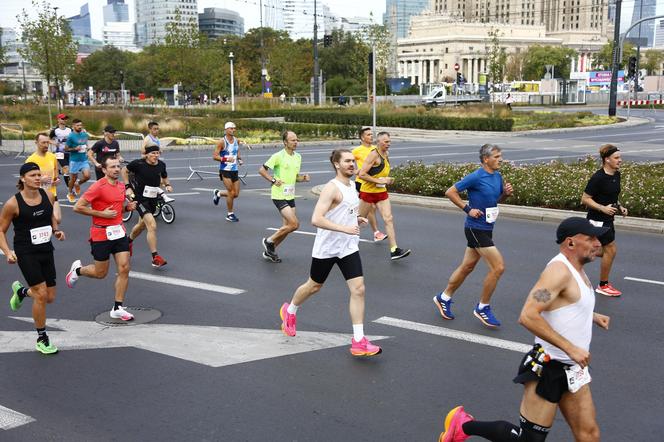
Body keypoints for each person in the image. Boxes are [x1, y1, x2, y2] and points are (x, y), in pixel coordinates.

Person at [439, 217, 611, 442]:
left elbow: (563, 303)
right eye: (591, 238)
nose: (598, 243)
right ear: (570, 243)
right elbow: (528, 315)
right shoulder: (559, 272)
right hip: (548, 367)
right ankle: (464, 425)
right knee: (528, 440)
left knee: (589, 435)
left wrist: (590, 315)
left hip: (573, 370)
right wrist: (571, 348)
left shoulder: (578, 270)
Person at [279, 149, 382, 357]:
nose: (352, 164)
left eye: (353, 161)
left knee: (359, 289)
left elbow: (347, 212)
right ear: (337, 164)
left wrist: (356, 220)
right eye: (347, 161)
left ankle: (359, 340)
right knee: (314, 286)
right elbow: (316, 219)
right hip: (327, 248)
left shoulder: (353, 186)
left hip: (348, 247)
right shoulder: (330, 188)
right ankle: (289, 311)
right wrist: (345, 228)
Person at [434, 144, 512, 328]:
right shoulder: (477, 176)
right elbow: (450, 192)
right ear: (486, 159)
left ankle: (443, 298)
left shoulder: (497, 176)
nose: (501, 159)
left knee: (467, 267)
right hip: (475, 228)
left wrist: (506, 195)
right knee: (498, 267)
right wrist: (467, 209)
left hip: (487, 227)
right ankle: (482, 307)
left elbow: (495, 201)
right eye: (497, 156)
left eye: (501, 155)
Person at [0, 162, 66, 354]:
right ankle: (42, 337)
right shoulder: (13, 203)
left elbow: (50, 216)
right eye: (33, 175)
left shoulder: (47, 194)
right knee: (41, 294)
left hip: (46, 248)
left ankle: (21, 293)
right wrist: (7, 252)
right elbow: (1, 231)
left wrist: (56, 230)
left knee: (50, 297)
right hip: (26, 252)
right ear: (22, 179)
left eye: (39, 174)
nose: (38, 178)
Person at [66, 157, 137, 321]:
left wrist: (127, 208)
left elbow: (116, 211)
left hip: (118, 232)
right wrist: (101, 214)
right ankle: (78, 270)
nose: (117, 169)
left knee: (124, 268)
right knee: (100, 273)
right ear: (104, 170)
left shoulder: (121, 186)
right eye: (112, 167)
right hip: (100, 234)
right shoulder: (97, 186)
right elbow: (78, 207)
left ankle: (118, 307)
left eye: (118, 166)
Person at [581, 144, 628, 297]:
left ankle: (581, 252)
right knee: (611, 250)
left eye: (620, 157)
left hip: (608, 218)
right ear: (607, 160)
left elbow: (612, 196)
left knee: (607, 251)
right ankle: (603, 285)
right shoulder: (598, 178)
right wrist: (602, 208)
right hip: (597, 220)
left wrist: (620, 206)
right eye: (616, 158)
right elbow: (585, 199)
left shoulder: (616, 174)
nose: (620, 160)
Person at [357, 131, 411, 261]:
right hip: (368, 192)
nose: (389, 144)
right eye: (386, 142)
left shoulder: (386, 154)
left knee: (388, 219)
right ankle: (341, 241)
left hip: (381, 193)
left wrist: (387, 179)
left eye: (389, 141)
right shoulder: (373, 155)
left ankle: (394, 250)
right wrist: (379, 181)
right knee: (359, 221)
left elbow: (381, 173)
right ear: (379, 142)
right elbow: (362, 174)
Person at [258, 130, 310, 263]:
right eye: (293, 140)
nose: (296, 142)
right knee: (294, 224)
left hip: (290, 195)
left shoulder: (298, 156)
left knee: (287, 228)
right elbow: (262, 170)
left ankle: (270, 250)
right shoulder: (278, 156)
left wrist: (303, 178)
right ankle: (269, 241)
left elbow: (295, 177)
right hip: (279, 194)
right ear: (285, 142)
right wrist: (273, 180)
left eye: (297, 140)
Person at [122, 145, 172, 268]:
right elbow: (124, 170)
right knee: (152, 225)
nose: (156, 155)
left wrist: (168, 185)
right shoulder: (138, 164)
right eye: (153, 153)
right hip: (139, 198)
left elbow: (164, 176)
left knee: (141, 225)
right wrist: (127, 186)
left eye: (157, 153)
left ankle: (128, 241)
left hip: (152, 199)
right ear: (147, 154)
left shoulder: (161, 165)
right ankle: (155, 257)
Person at [352, 127, 387, 242]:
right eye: (368, 135)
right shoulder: (357, 150)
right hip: (362, 182)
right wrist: (356, 171)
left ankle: (352, 227)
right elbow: (347, 163)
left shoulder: (376, 149)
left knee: (369, 210)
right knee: (371, 207)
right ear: (362, 137)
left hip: (375, 183)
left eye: (372, 135)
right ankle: (376, 232)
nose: (371, 136)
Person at [26, 133, 62, 224]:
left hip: (52, 193)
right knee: (41, 222)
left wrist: (56, 180)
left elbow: (55, 172)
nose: (46, 145)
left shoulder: (52, 156)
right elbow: (26, 180)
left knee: (57, 219)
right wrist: (40, 180)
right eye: (43, 143)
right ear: (36, 143)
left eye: (47, 142)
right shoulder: (31, 160)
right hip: (38, 195)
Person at [212, 121, 245, 222]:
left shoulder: (236, 140)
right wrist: (225, 159)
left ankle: (218, 193)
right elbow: (215, 156)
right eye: (231, 128)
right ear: (226, 130)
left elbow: (237, 150)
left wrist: (239, 159)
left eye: (234, 128)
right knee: (231, 192)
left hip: (234, 170)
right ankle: (230, 214)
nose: (233, 130)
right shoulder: (222, 142)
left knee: (236, 194)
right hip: (225, 170)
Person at [64, 118, 91, 203]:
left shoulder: (84, 134)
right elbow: (66, 149)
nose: (79, 127)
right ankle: (70, 192)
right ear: (73, 126)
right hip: (74, 160)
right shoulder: (71, 136)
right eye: (77, 125)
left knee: (87, 176)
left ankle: (78, 183)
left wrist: (87, 147)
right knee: (73, 179)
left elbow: (86, 143)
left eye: (80, 125)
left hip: (83, 159)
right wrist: (75, 149)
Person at [49, 113, 71, 188]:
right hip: (59, 153)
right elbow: (48, 139)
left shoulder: (69, 130)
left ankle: (61, 170)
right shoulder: (55, 131)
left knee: (69, 171)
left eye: (65, 119)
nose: (65, 120)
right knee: (66, 169)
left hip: (69, 152)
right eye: (63, 118)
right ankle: (70, 190)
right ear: (58, 120)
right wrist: (55, 143)